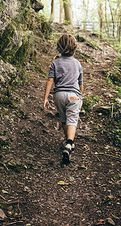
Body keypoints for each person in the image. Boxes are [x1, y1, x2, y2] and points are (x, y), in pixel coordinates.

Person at [43, 34, 83, 165]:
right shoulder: (77, 63)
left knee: (64, 118)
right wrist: (80, 98)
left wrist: (46, 98)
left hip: (59, 95)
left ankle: (67, 143)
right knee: (72, 119)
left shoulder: (55, 63)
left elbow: (50, 80)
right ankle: (70, 144)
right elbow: (80, 83)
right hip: (74, 95)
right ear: (74, 48)